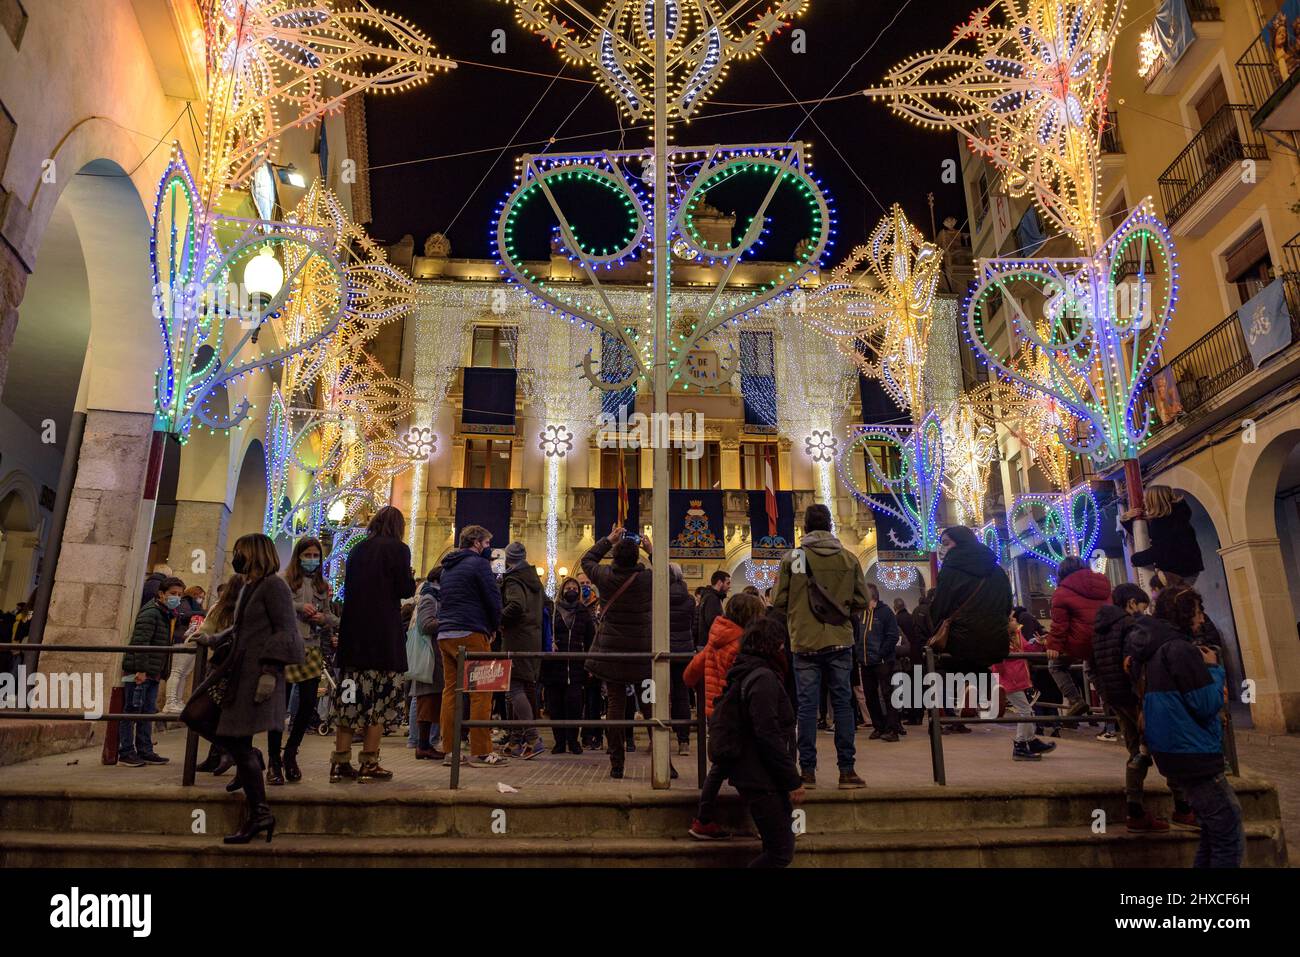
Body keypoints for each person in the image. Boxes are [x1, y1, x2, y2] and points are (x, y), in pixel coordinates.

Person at [1130, 584, 1241, 867]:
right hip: (1193, 750)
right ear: (1184, 614)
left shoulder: (1153, 648)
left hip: (1172, 750)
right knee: (1228, 830)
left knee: (1212, 831)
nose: (1202, 619)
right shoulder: (1179, 650)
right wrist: (1214, 669)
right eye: (1198, 612)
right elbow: (1205, 703)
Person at [211, 533, 303, 844]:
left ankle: (260, 813)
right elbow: (242, 628)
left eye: (239, 551)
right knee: (231, 738)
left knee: (235, 739)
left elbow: (285, 630)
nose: (235, 556)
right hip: (242, 673)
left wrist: (270, 671)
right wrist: (212, 639)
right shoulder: (251, 586)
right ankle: (259, 809)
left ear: (253, 554)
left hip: (257, 674)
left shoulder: (274, 586)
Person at [771, 503, 870, 790]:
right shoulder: (848, 559)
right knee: (842, 705)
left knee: (807, 707)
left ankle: (808, 771)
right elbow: (862, 600)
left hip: (804, 641)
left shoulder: (796, 558)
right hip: (840, 639)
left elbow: (779, 599)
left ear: (805, 527)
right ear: (829, 526)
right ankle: (847, 770)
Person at [1093, 583, 1192, 831]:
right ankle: (1182, 807)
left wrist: (1106, 693)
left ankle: (1135, 809)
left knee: (1136, 751)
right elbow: (1134, 663)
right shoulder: (1130, 626)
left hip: (1115, 698)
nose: (1143, 612)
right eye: (1142, 606)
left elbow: (1092, 667)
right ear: (1131, 603)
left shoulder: (1099, 629)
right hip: (1136, 697)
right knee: (1164, 746)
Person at [331, 506, 416, 783]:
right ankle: (369, 761)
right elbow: (404, 590)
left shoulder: (358, 550)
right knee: (378, 702)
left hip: (353, 637)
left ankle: (340, 761)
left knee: (349, 701)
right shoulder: (399, 550)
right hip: (382, 638)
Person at [721, 616, 805, 868]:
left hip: (759, 774)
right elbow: (768, 734)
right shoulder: (763, 678)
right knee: (781, 852)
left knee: (773, 845)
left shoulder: (747, 671)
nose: (784, 649)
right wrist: (792, 779)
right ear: (771, 645)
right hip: (762, 776)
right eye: (780, 643)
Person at [686, 592, 766, 839]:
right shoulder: (741, 644)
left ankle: (705, 820)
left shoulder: (716, 638)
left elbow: (690, 675)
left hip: (715, 712)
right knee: (741, 765)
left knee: (725, 764)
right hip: (735, 713)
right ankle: (706, 819)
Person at [582, 524, 653, 780]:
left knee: (615, 705)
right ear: (637, 557)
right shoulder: (646, 579)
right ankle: (662, 759)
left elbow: (587, 560)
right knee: (649, 706)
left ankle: (617, 763)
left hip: (611, 652)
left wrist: (607, 540)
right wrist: (652, 550)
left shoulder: (606, 576)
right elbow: (669, 577)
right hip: (641, 653)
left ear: (614, 556)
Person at [436, 524, 508, 768]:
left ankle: (449, 750)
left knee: (451, 692)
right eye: (487, 544)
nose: (489, 549)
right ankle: (481, 750)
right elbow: (492, 598)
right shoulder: (479, 565)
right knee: (481, 691)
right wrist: (494, 626)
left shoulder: (447, 568)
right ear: (477, 543)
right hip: (471, 631)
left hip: (445, 634)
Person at [267, 537, 338, 784]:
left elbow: (330, 615)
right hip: (288, 647)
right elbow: (277, 607)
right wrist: (300, 608)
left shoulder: (322, 585)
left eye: (315, 555)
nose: (311, 559)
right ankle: (274, 761)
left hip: (312, 648)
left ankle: (291, 754)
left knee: (307, 704)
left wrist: (323, 619)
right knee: (280, 705)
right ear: (298, 556)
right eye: (307, 555)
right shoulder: (283, 581)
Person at [928, 526, 1014, 675]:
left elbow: (939, 608)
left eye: (946, 543)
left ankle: (971, 693)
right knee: (982, 674)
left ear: (960, 541)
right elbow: (1007, 605)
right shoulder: (997, 570)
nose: (943, 548)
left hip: (961, 643)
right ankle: (991, 693)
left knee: (958, 680)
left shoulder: (950, 570)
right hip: (996, 640)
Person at [119, 576, 185, 767]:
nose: (176, 598)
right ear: (161, 594)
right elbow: (141, 642)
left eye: (179, 595)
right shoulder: (151, 613)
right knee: (132, 711)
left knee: (147, 712)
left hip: (153, 672)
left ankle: (145, 750)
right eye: (173, 594)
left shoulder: (166, 613)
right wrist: (140, 670)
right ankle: (126, 752)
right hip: (140, 673)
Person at [1043, 555, 1111, 717]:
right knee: (1092, 668)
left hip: (1080, 641)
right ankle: (1111, 706)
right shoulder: (1103, 585)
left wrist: (1053, 645)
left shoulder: (1061, 592)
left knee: (1056, 666)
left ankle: (1075, 700)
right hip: (1104, 639)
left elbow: (1060, 624)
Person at [193, 574, 245, 777]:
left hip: (221, 666)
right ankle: (228, 754)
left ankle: (227, 753)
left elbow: (204, 631)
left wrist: (202, 639)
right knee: (225, 714)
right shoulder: (249, 608)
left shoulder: (220, 609)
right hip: (238, 667)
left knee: (212, 712)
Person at [500, 541, 546, 759]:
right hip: (532, 639)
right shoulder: (534, 579)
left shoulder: (513, 579)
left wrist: (498, 620)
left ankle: (533, 738)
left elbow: (516, 606)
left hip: (517, 639)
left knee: (514, 688)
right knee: (524, 689)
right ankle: (516, 742)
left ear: (509, 559)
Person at [992, 613, 1057, 761]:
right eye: (1013, 620)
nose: (1016, 621)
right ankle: (1020, 745)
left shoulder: (1017, 635)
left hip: (1018, 678)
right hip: (1010, 680)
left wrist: (1039, 643)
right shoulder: (999, 640)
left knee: (1027, 710)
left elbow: (1028, 649)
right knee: (1025, 711)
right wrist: (1004, 676)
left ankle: (1031, 740)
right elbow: (997, 662)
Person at [543, 576, 594, 754]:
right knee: (555, 706)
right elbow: (545, 632)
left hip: (576, 666)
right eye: (568, 587)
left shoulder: (583, 612)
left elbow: (590, 639)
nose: (571, 590)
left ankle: (573, 740)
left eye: (574, 588)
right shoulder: (554, 610)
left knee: (574, 705)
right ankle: (559, 741)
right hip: (555, 666)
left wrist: (589, 663)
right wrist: (550, 642)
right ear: (562, 590)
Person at [1121, 485, 1203, 586]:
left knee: (1169, 599)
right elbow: (1153, 538)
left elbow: (1160, 550)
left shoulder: (1163, 523)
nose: (1144, 502)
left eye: (1146, 499)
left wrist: (1135, 559)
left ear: (1154, 501)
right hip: (1187, 569)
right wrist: (1126, 519)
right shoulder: (1176, 517)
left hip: (1177, 571)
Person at [409, 567, 445, 759]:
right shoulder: (429, 598)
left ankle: (426, 744)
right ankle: (422, 745)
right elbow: (426, 624)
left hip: (435, 656)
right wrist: (448, 621)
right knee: (426, 700)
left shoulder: (434, 597)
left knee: (432, 700)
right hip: (429, 655)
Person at [861, 584, 903, 741]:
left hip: (883, 661)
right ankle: (879, 726)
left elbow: (893, 636)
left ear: (871, 597)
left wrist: (880, 654)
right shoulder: (861, 614)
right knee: (870, 696)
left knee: (888, 695)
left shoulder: (886, 613)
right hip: (865, 662)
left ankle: (893, 729)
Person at [163, 586, 207, 715]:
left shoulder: (193, 606)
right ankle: (170, 702)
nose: (201, 599)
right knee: (177, 672)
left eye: (203, 598)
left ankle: (178, 700)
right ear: (194, 594)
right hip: (181, 640)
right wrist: (202, 613)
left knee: (184, 674)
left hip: (190, 641)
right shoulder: (185, 602)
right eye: (200, 596)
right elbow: (185, 615)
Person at [669, 562, 698, 756]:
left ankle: (657, 737)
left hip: (663, 651)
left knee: (657, 695)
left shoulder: (660, 596)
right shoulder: (689, 600)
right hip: (684, 652)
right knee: (681, 696)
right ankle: (683, 741)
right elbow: (694, 626)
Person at [696, 570, 730, 650]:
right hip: (710, 645)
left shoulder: (709, 596)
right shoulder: (712, 598)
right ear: (719, 582)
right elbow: (714, 623)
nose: (729, 586)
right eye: (727, 583)